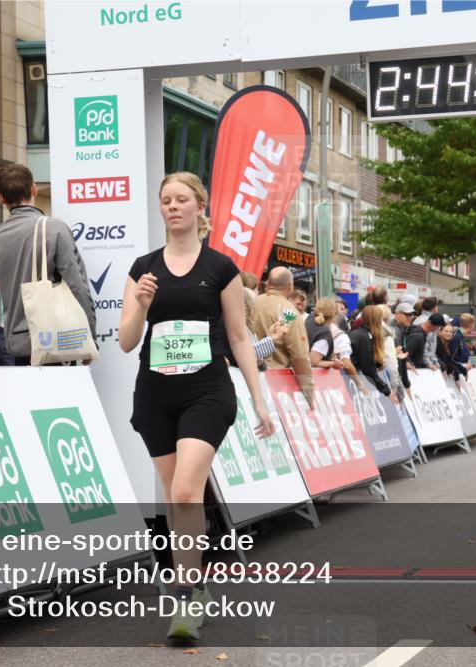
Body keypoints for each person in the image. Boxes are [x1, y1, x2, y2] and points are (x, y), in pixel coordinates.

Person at [118, 172, 274, 642]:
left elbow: (240, 337)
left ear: (200, 207)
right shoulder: (143, 268)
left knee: (187, 490)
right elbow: (126, 342)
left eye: (182, 199)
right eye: (165, 200)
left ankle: (185, 598)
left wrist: (258, 398)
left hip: (206, 389)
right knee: (173, 496)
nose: (172, 207)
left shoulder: (220, 267)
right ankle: (196, 582)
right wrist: (142, 305)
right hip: (156, 391)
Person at [0, 163, 95, 365]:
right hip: (56, 340)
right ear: (33, 189)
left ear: (0, 198)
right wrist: (90, 338)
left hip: (17, 345)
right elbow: (77, 285)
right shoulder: (53, 228)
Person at [253, 267, 315, 404]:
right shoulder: (289, 312)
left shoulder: (253, 302)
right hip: (277, 383)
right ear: (290, 286)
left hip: (248, 376)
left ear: (268, 283)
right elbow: (299, 355)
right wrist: (309, 391)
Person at [349, 305, 394, 400]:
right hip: (351, 380)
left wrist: (377, 364)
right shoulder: (363, 336)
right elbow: (368, 368)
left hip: (353, 378)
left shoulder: (363, 334)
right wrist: (387, 391)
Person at [306, 298, 341, 369]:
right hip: (312, 376)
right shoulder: (324, 332)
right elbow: (313, 361)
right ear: (334, 315)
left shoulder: (307, 322)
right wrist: (333, 363)